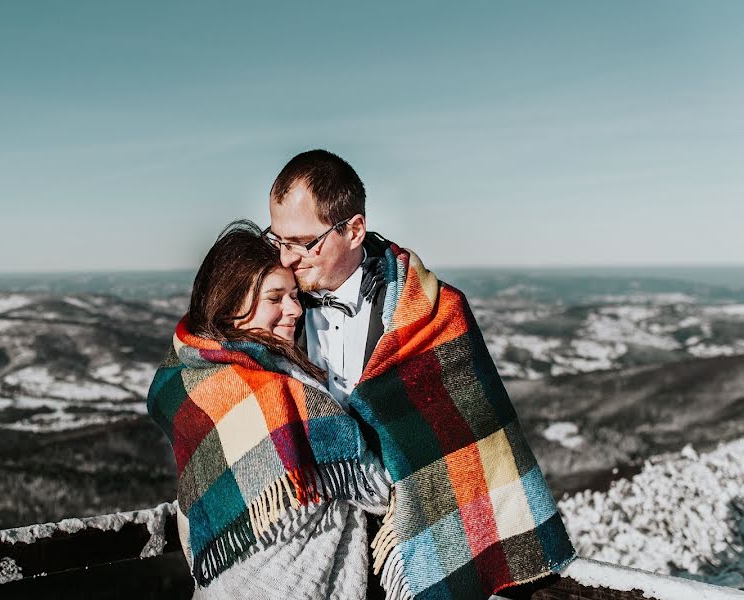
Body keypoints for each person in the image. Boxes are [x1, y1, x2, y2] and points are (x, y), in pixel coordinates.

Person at [263, 150, 577, 599]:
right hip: (311, 544)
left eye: (303, 243)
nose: (286, 258)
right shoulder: (272, 309)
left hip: (405, 539)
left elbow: (473, 438)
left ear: (353, 230)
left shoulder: (435, 313)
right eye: (277, 240)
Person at [148, 220, 391, 600]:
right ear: (231, 305)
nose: (295, 310)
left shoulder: (195, 376)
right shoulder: (278, 396)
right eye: (275, 298)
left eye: (295, 296)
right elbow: (375, 489)